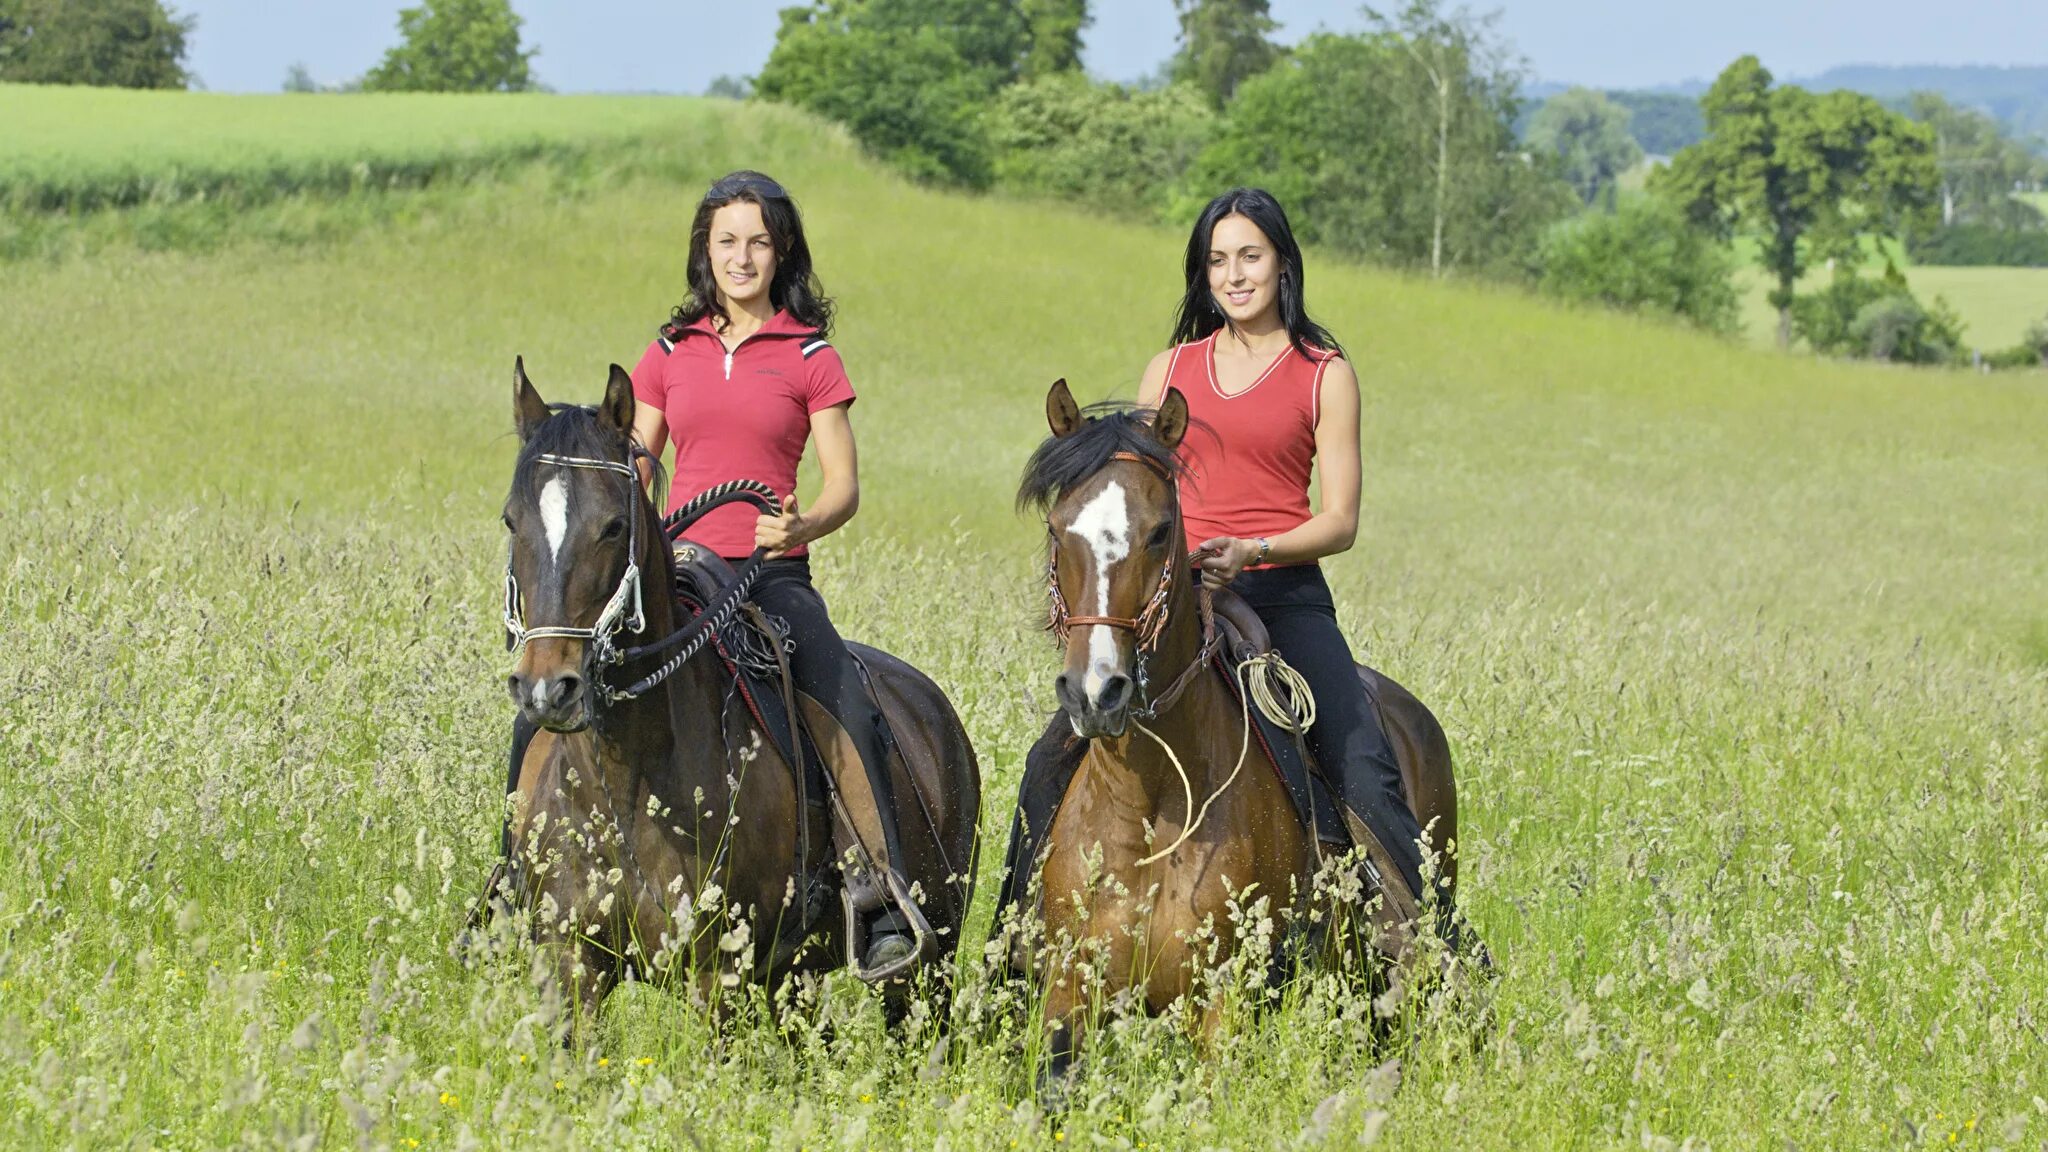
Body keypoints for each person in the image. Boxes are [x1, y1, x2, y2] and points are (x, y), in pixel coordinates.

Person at [999, 187, 1433, 937]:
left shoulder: (1323, 372)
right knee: (1053, 756)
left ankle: (1421, 937)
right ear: (1203, 277)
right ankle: (1014, 936)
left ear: (1283, 264)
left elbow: (1340, 520)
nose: (1235, 275)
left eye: (1250, 257)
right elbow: (1136, 489)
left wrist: (1254, 548)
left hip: (1283, 595)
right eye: (1217, 261)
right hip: (1174, 594)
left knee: (1361, 759)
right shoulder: (1171, 366)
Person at [624, 170, 917, 977]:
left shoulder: (811, 355)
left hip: (768, 574)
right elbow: (640, 464)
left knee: (844, 697)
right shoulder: (668, 353)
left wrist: (803, 523)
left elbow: (843, 485)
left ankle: (879, 896)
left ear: (780, 249)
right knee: (566, 684)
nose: (741, 256)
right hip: (678, 571)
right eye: (726, 241)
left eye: (757, 240)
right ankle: (515, 879)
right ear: (705, 251)